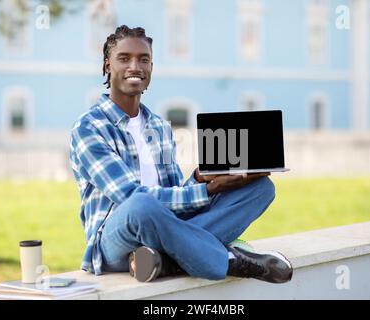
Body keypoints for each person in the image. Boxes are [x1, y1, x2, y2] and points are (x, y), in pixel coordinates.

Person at [69, 25, 293, 283]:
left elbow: (176, 195)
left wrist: (202, 179)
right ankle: (228, 260)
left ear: (151, 68)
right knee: (142, 205)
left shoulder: (159, 127)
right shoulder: (89, 127)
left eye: (144, 60)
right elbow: (130, 197)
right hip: (116, 239)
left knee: (260, 189)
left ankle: (163, 261)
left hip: (164, 226)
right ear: (108, 66)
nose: (135, 66)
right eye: (124, 58)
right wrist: (206, 191)